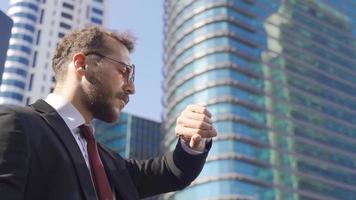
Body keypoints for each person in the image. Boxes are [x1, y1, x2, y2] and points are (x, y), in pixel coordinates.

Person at [0, 26, 217, 200]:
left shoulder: (110, 163)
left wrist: (191, 143)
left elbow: (170, 173)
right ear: (82, 64)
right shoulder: (16, 124)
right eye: (124, 71)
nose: (132, 88)